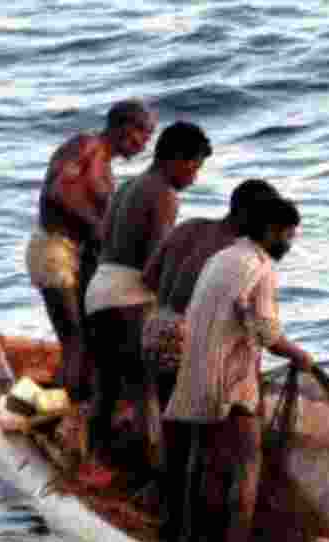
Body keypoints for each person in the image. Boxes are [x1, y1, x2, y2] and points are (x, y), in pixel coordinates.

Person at [163, 192, 315, 542]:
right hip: (229, 384)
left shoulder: (222, 258)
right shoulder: (260, 268)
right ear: (269, 231)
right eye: (287, 235)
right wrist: (299, 356)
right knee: (247, 465)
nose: (289, 243)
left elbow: (238, 316)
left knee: (204, 466)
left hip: (195, 377)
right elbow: (266, 332)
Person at [80, 121, 211, 482]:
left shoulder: (128, 185)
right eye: (194, 167)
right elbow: (157, 266)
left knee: (106, 385)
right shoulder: (164, 193)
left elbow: (104, 241)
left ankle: (93, 461)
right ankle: (149, 475)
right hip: (128, 297)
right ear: (173, 158)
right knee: (145, 390)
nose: (194, 177)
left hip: (100, 290)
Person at [24, 99, 156, 405]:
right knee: (75, 341)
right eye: (143, 135)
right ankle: (54, 412)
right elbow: (55, 191)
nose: (143, 145)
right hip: (54, 250)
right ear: (123, 127)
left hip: (78, 256)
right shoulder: (86, 146)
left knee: (88, 339)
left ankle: (68, 402)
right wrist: (96, 225)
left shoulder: (106, 169)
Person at [141, 178, 280, 408]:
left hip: (156, 328)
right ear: (247, 214)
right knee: (207, 422)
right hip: (187, 339)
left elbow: (149, 278)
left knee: (171, 416)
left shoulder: (189, 227)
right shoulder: (237, 251)